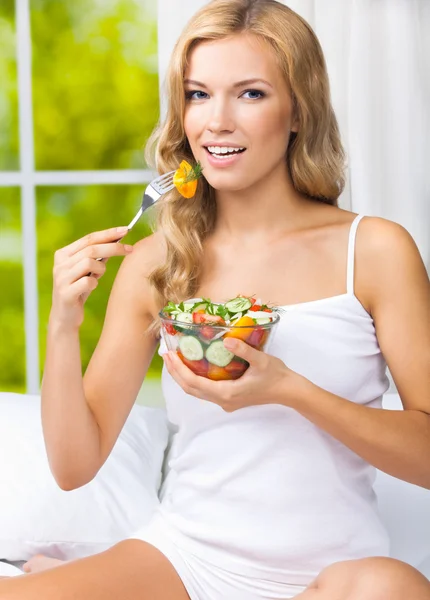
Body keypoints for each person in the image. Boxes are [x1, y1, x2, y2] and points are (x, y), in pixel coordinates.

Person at [1, 0, 429, 598]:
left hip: (335, 578)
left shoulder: (375, 250)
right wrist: (63, 321)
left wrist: (287, 389)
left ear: (299, 109)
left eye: (250, 94)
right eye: (198, 94)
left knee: (395, 588)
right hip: (183, 562)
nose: (215, 122)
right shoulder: (159, 261)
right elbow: (75, 467)